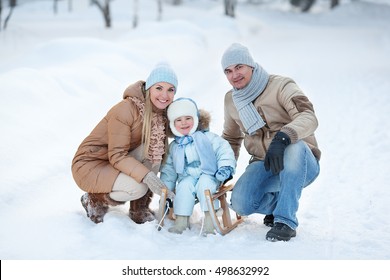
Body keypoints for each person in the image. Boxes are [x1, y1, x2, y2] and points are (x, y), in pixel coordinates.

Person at [220, 43, 321, 241]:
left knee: (293, 146)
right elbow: (231, 138)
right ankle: (280, 204)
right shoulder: (231, 100)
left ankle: (285, 221)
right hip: (264, 162)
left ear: (251, 65)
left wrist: (283, 137)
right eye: (228, 71)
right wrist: (222, 166)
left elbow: (309, 117)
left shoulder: (281, 85)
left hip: (300, 162)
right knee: (241, 203)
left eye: (239, 67)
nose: (234, 75)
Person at [72, 63, 176, 224]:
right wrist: (147, 176)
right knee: (138, 187)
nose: (165, 95)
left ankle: (139, 208)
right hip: (91, 163)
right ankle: (94, 198)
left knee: (156, 148)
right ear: (149, 88)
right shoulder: (126, 109)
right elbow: (117, 155)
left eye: (171, 90)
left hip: (114, 160)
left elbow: (183, 123)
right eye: (159, 88)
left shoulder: (159, 113)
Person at [160, 98, 236, 235]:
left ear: (196, 120)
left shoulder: (208, 137)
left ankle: (210, 222)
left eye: (188, 118)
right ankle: (181, 221)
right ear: (172, 124)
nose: (183, 122)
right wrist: (166, 189)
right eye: (178, 120)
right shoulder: (174, 147)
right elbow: (168, 170)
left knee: (205, 185)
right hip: (187, 176)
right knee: (183, 188)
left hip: (209, 174)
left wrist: (225, 168)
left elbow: (223, 150)